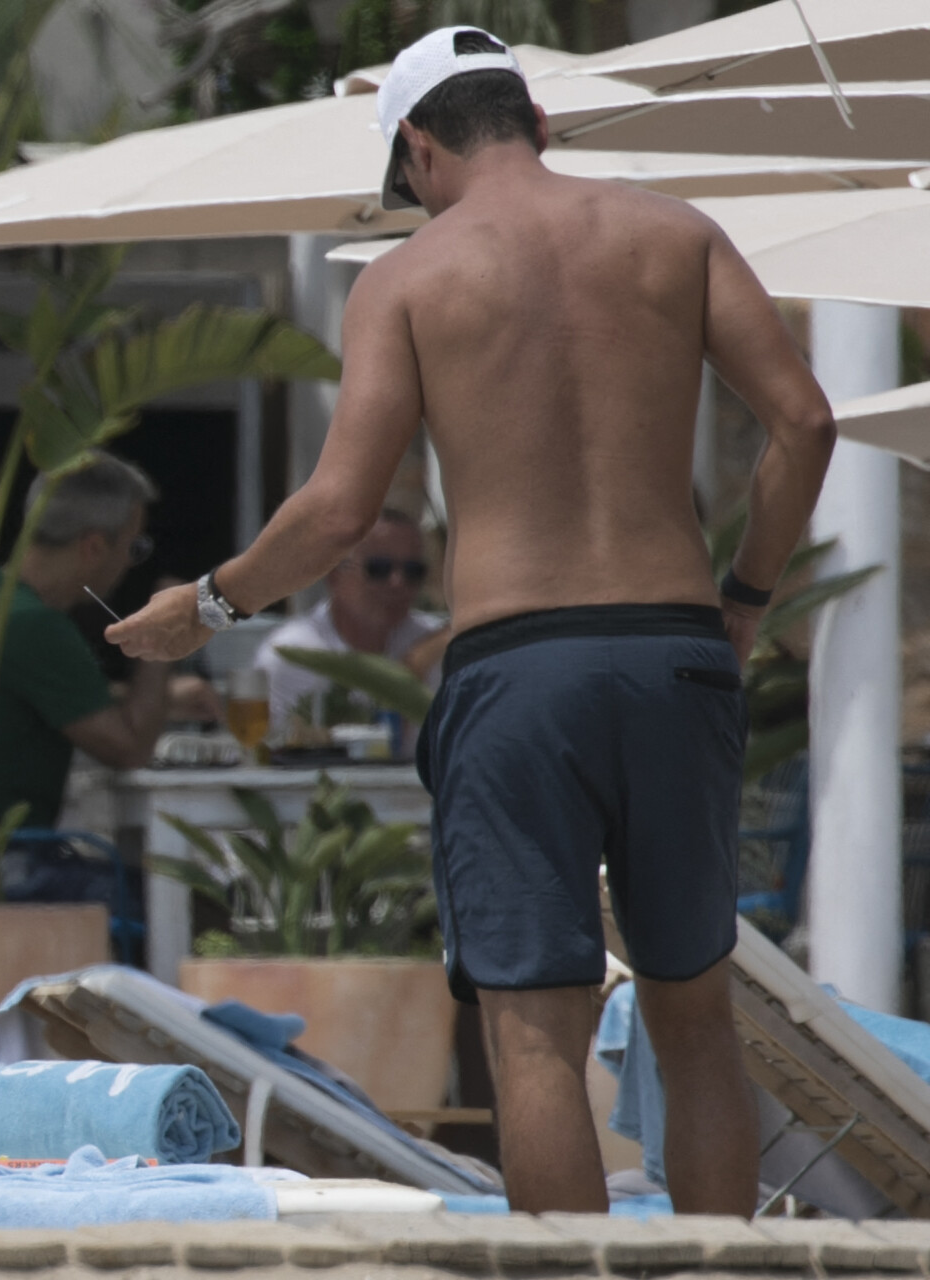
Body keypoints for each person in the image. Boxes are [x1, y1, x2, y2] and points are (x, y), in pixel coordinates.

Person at [104, 27, 834, 1216]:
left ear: (419, 145)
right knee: (694, 1013)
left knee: (533, 1032)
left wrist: (211, 602)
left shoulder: (407, 280)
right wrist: (744, 597)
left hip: (518, 668)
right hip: (676, 651)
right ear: (536, 122)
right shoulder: (678, 235)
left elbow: (340, 508)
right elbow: (805, 422)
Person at [0, 452, 215, 837]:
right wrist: (164, 631)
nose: (130, 564)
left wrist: (156, 697)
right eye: (133, 547)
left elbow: (37, 698)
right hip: (13, 855)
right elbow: (130, 749)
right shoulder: (35, 626)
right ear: (94, 547)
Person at [251, 508, 445, 737]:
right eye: (379, 568)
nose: (397, 582)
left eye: (413, 571)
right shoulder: (292, 655)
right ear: (334, 573)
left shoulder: (439, 645)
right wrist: (408, 675)